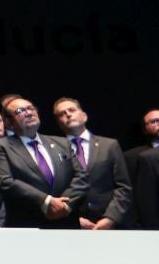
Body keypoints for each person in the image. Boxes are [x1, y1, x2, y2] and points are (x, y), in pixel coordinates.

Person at [0, 95, 85, 229]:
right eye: (20, 111)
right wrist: (46, 202)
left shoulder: (62, 143)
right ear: (9, 123)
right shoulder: (0, 147)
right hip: (27, 225)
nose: (28, 112)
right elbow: (5, 182)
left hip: (66, 222)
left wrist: (65, 205)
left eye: (31, 108)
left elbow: (81, 177)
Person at [51, 96, 133, 229]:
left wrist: (111, 218)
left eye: (72, 110)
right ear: (59, 123)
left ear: (84, 116)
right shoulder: (54, 150)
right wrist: (75, 220)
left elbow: (123, 186)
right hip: (72, 224)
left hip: (110, 223)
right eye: (62, 114)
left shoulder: (109, 145)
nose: (68, 114)